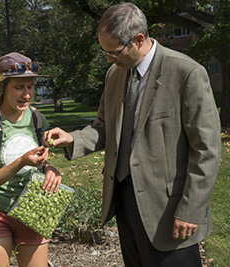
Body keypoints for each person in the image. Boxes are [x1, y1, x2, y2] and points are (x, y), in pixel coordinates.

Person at [44, 3, 221, 266]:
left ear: (139, 40)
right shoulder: (115, 74)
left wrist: (191, 209)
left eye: (113, 52)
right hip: (125, 202)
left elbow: (206, 150)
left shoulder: (186, 73)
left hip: (170, 210)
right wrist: (73, 139)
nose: (108, 60)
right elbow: (104, 128)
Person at [0, 52, 61, 267]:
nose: (26, 94)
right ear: (1, 88)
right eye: (18, 87)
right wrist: (21, 162)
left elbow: (41, 161)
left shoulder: (37, 118)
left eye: (30, 86)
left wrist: (50, 169)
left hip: (32, 209)